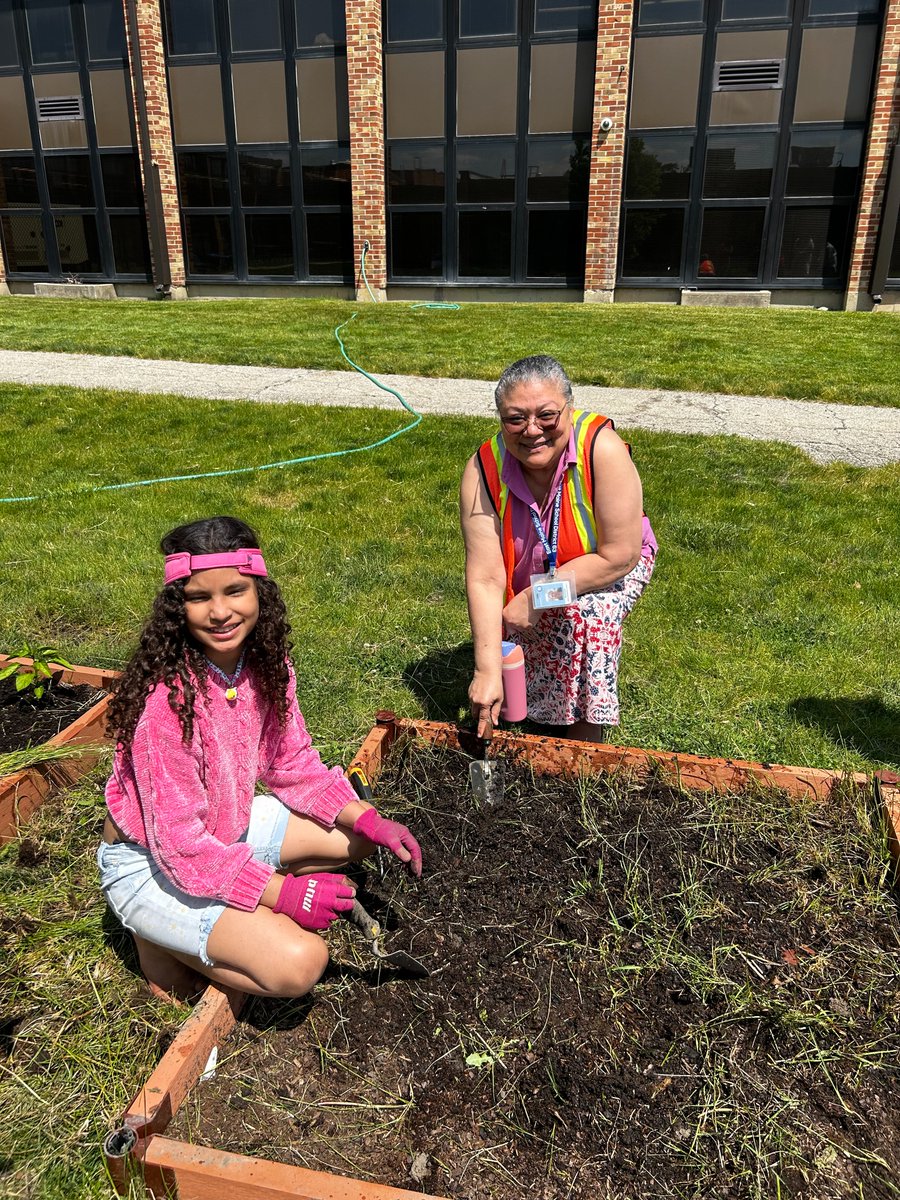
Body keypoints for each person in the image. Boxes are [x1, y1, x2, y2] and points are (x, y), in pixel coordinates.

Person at [98, 516, 422, 1001]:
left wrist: (370, 820)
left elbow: (293, 764)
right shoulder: (166, 702)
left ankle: (233, 916)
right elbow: (181, 847)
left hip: (222, 828)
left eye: (235, 591)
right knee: (301, 964)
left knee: (354, 841)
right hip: (153, 862)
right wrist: (282, 894)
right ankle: (156, 939)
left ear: (259, 593)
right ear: (176, 607)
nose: (220, 611)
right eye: (199, 597)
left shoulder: (266, 664)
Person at [460, 355, 657, 743]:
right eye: (515, 419)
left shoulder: (602, 448)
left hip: (607, 566)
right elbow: (484, 575)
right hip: (536, 568)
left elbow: (620, 554)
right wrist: (485, 670)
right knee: (512, 631)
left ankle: (584, 734)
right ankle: (527, 708)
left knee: (587, 616)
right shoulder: (482, 469)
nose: (532, 430)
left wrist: (537, 597)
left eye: (546, 415)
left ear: (569, 408)